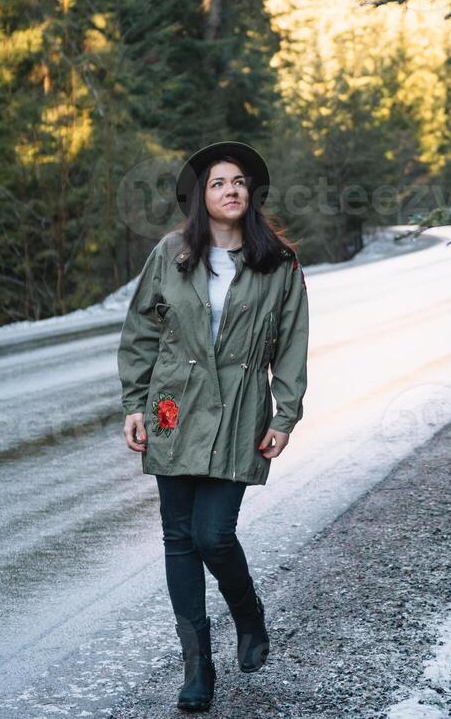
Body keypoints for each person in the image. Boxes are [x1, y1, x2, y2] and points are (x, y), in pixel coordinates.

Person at [117, 141, 310, 712]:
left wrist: (286, 414)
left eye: (240, 182)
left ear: (251, 195)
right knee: (179, 537)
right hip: (172, 406)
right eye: (218, 182)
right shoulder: (172, 253)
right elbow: (141, 331)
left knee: (214, 534)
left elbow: (294, 343)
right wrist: (134, 402)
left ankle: (248, 616)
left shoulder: (278, 262)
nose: (231, 189)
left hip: (240, 408)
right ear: (201, 197)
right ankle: (197, 668)